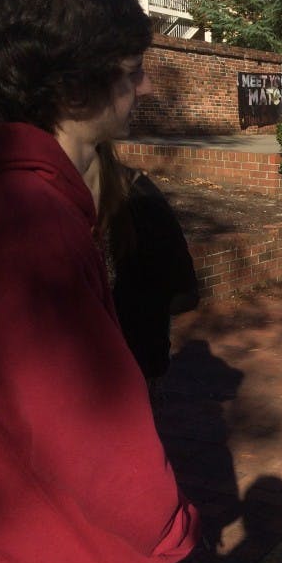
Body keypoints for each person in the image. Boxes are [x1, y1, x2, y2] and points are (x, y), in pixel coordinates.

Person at [0, 0, 199, 563]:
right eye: (133, 68)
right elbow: (73, 419)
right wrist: (168, 523)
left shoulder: (23, 199)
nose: (142, 86)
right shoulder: (29, 221)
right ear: (80, 82)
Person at [89, 142, 199, 398]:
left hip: (89, 368)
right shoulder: (140, 194)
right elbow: (183, 291)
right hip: (135, 358)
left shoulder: (21, 199)